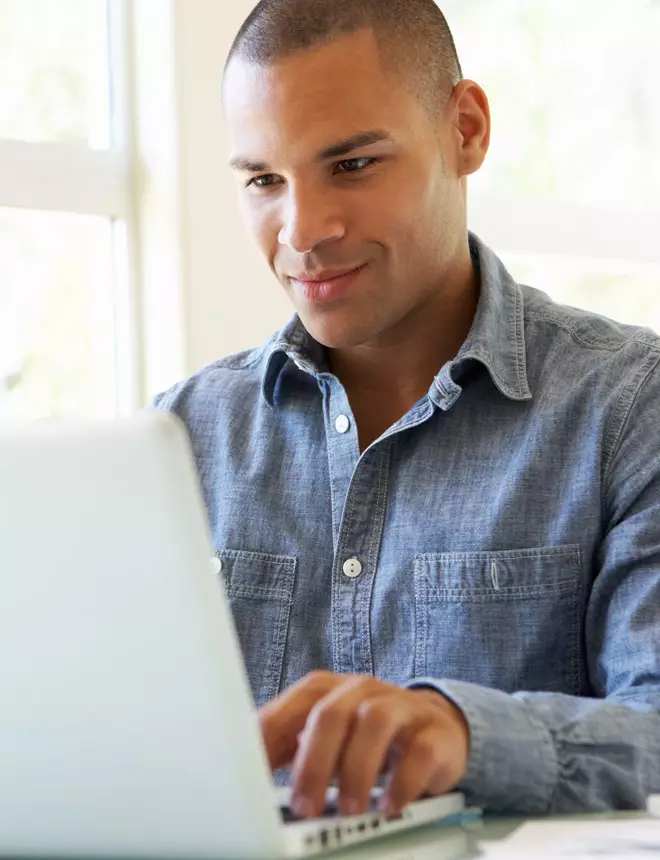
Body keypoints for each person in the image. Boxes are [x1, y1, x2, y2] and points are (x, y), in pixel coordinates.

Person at [152, 0, 660, 820]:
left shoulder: (632, 408)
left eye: (351, 165)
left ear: (465, 130)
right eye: (263, 181)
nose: (304, 231)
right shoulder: (172, 440)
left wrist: (465, 732)